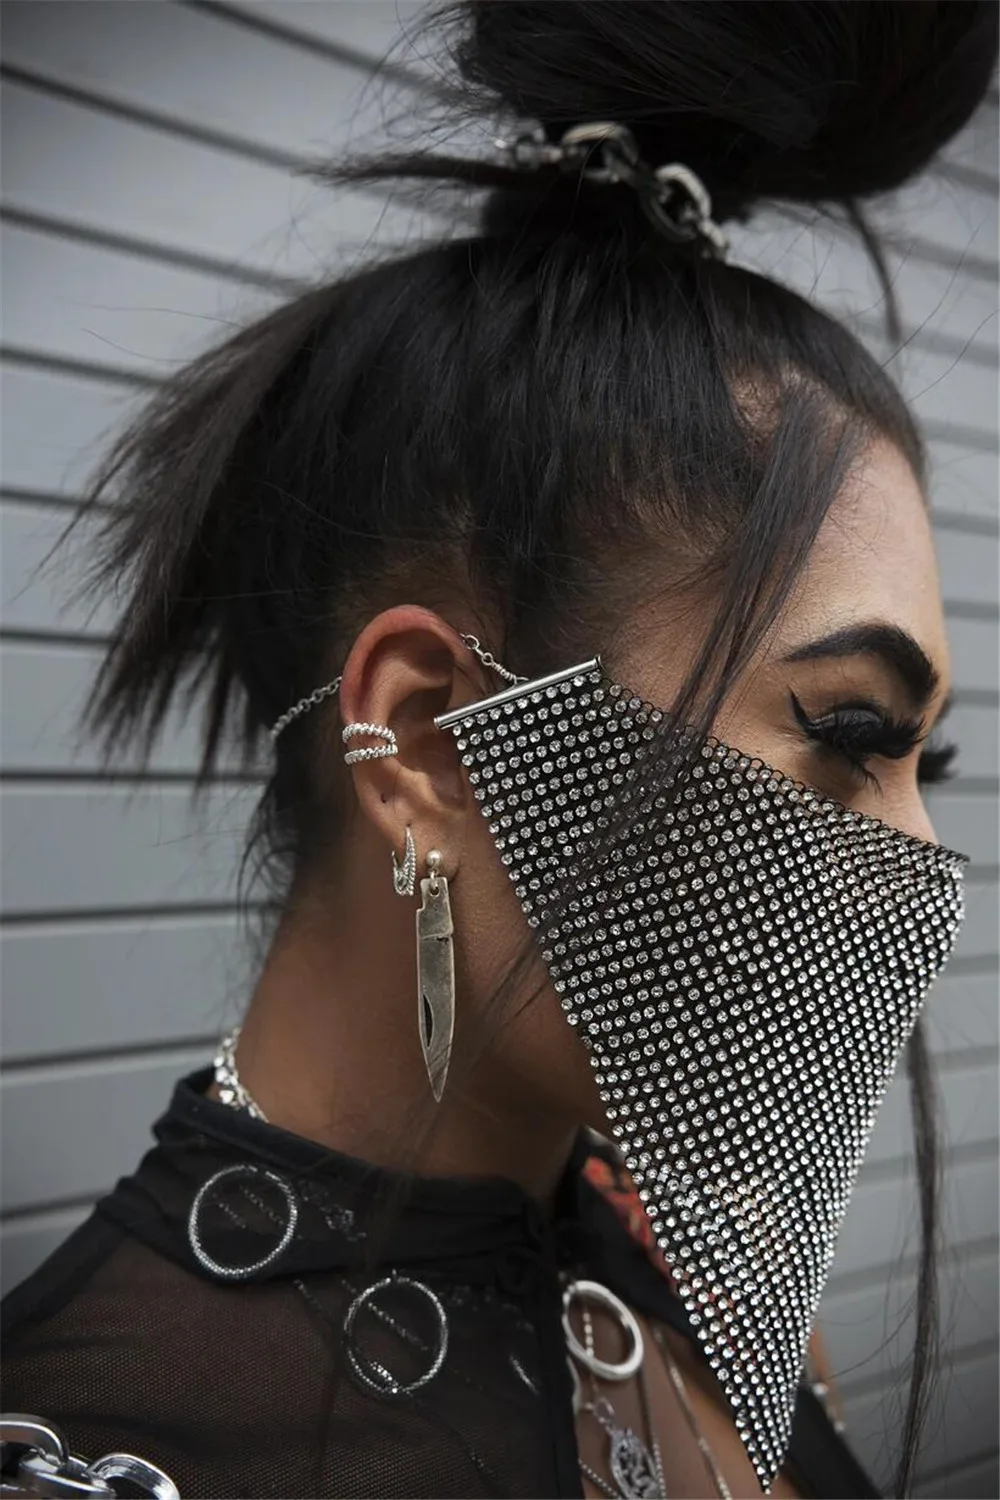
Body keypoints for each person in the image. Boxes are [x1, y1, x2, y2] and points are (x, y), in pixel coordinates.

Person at [2, 3, 995, 1496]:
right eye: (847, 734)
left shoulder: (701, 1267)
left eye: (930, 765)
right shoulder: (104, 1451)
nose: (924, 864)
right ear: (429, 744)